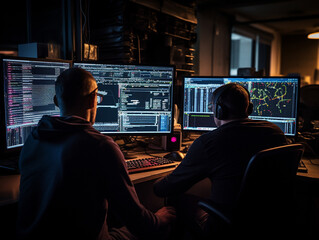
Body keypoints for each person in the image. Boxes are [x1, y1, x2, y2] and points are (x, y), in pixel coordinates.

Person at [16, 67, 176, 240]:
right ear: (93, 99)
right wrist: (159, 218)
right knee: (161, 227)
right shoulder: (100, 146)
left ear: (56, 100)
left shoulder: (34, 139)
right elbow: (137, 221)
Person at [153, 83, 288, 239]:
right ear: (249, 108)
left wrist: (162, 178)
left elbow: (163, 189)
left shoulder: (209, 142)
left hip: (225, 227)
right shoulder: (275, 133)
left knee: (175, 199)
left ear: (218, 110)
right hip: (267, 222)